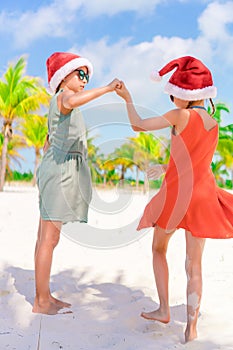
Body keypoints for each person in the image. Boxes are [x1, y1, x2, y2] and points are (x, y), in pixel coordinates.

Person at [115, 56, 233, 342]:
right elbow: (195, 162)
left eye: (172, 94)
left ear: (183, 94)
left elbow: (139, 125)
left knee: (159, 250)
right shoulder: (214, 123)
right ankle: (191, 328)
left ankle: (164, 309)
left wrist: (127, 97)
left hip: (178, 195)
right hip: (204, 193)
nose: (171, 98)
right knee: (195, 264)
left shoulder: (180, 115)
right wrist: (165, 167)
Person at [33, 51, 121, 315]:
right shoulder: (64, 97)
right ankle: (40, 301)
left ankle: (44, 295)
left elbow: (50, 138)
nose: (85, 80)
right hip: (59, 172)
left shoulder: (62, 102)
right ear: (63, 77)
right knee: (48, 238)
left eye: (87, 76)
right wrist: (106, 89)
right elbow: (75, 100)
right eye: (80, 74)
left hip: (57, 169)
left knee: (47, 237)